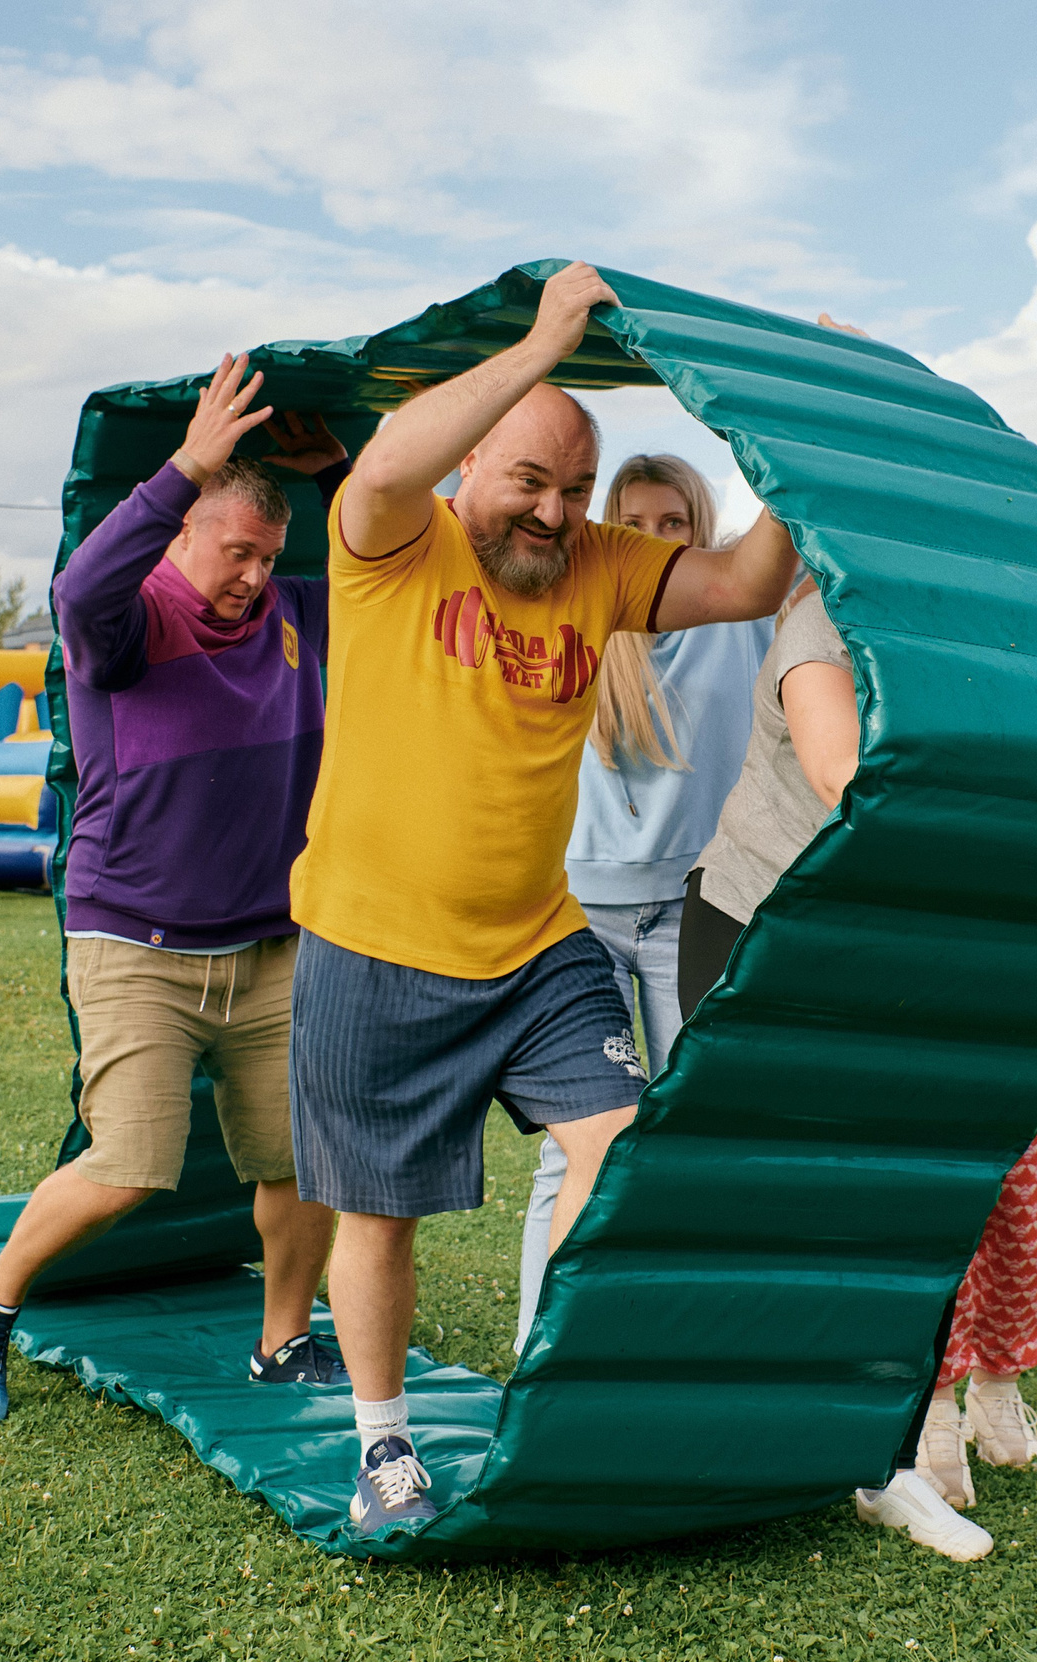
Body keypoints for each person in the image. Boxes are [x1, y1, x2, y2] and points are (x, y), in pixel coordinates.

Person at [287, 263, 804, 1535]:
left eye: (576, 488)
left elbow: (743, 584)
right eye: (530, 480)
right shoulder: (392, 542)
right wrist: (542, 344)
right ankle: (383, 1444)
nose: (554, 512)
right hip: (374, 940)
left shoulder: (599, 564)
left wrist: (800, 434)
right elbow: (388, 461)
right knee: (379, 1215)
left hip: (537, 945)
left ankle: (563, 1390)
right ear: (471, 462)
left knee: (621, 1145)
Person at [0, 355, 345, 1427]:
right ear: (180, 534)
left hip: (271, 947)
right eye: (235, 550)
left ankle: (284, 1341)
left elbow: (395, 577)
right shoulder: (126, 626)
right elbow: (78, 588)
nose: (253, 574)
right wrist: (187, 465)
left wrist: (338, 475)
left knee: (302, 1162)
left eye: (268, 554)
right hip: (138, 944)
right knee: (127, 1166)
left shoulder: (297, 617)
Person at [681, 573, 1037, 1563]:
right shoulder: (824, 621)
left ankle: (890, 1461)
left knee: (916, 1193)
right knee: (760, 1196)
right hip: (758, 923)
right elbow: (839, 772)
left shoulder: (950, 636)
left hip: (880, 935)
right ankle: (721, 1437)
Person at [515, 453, 772, 1353]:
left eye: (675, 524)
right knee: (576, 1145)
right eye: (634, 524)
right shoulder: (575, 606)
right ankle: (540, 1351)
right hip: (579, 916)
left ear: (701, 531)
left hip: (695, 911)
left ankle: (683, 1350)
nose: (655, 540)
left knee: (694, 1136)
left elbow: (792, 528)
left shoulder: (741, 614)